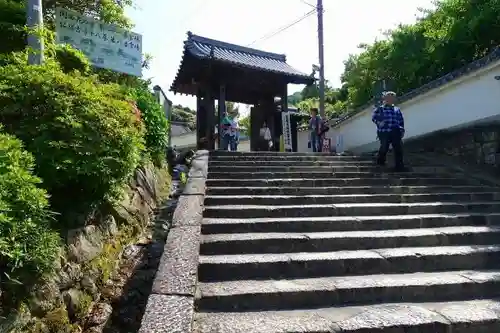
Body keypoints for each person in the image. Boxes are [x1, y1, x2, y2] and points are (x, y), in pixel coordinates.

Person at [372, 91, 407, 171]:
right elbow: (374, 117)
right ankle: (380, 162)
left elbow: (401, 120)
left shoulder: (397, 109)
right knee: (384, 147)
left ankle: (399, 166)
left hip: (396, 130)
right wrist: (379, 122)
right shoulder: (380, 108)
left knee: (398, 148)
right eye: (388, 97)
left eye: (392, 97)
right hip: (384, 130)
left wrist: (402, 129)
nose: (390, 99)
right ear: (385, 99)